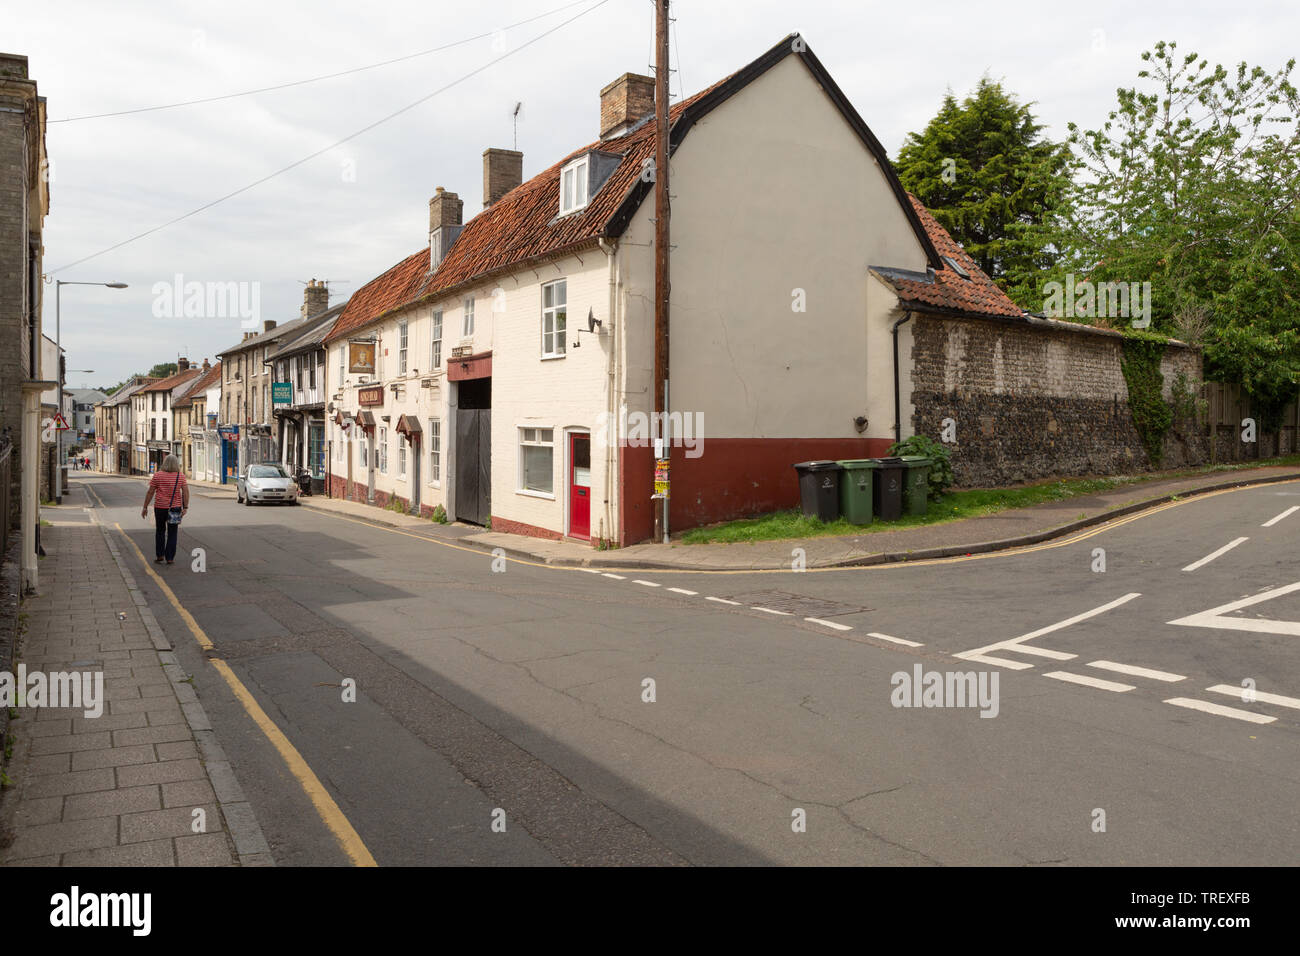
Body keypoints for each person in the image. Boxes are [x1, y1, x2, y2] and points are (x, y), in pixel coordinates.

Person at [142, 454, 189, 565]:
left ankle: (160, 555)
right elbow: (186, 492)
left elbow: (150, 492)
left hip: (160, 508)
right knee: (173, 533)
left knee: (160, 531)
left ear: (165, 463)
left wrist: (145, 507)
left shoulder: (157, 475)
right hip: (175, 508)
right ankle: (170, 557)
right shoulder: (180, 476)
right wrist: (185, 507)